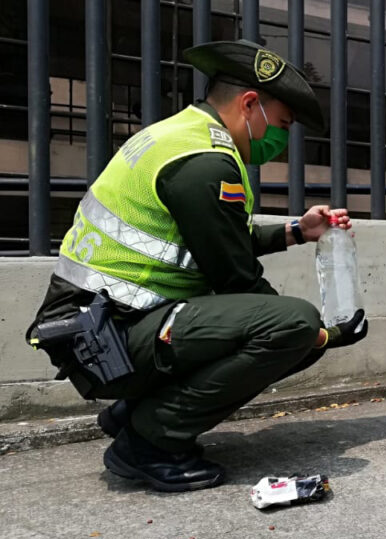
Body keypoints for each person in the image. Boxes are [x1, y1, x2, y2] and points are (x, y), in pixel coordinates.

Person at [25, 41, 368, 492]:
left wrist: (296, 231)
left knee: (285, 328)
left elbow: (208, 243)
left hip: (98, 326)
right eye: (282, 124)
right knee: (293, 325)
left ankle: (134, 412)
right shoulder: (206, 163)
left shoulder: (179, 136)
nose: (281, 140)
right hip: (105, 338)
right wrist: (323, 336)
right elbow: (237, 277)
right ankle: (149, 442)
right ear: (250, 104)